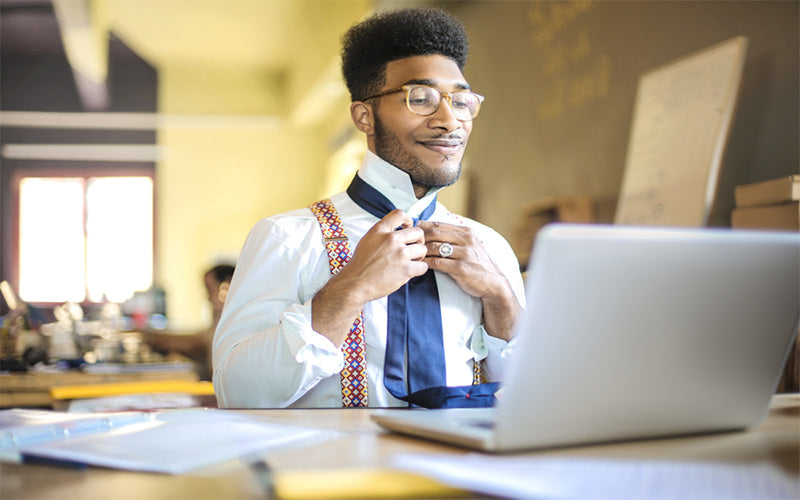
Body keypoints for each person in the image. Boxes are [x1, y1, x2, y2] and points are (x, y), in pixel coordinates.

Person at [213, 8, 525, 408]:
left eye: (462, 101)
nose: (451, 120)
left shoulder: (489, 247)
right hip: (333, 470)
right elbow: (235, 393)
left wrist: (500, 297)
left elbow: (535, 397)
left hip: (463, 467)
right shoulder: (288, 237)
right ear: (364, 116)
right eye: (422, 99)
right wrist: (350, 288)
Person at [144, 264, 234, 380]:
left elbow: (199, 341)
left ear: (226, 287)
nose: (208, 298)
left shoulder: (233, 321)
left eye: (209, 289)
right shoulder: (221, 320)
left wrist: (151, 338)